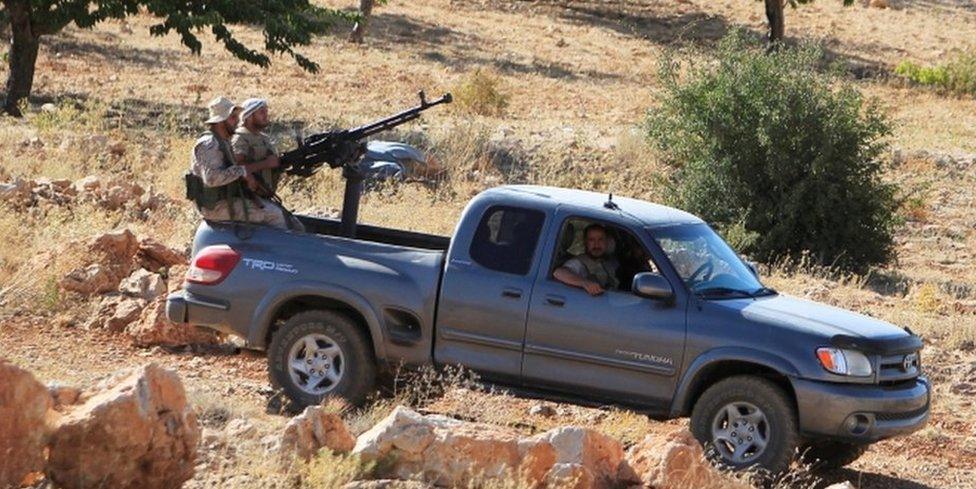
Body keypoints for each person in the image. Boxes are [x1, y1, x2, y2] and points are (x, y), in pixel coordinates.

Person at [186, 96, 292, 230]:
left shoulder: (223, 141)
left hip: (226, 199)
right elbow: (212, 178)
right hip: (215, 207)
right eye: (232, 118)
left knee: (278, 210)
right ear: (220, 122)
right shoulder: (209, 144)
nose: (237, 121)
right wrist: (242, 171)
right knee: (274, 215)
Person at [554, 223, 620, 296]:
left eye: (600, 239)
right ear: (586, 243)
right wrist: (585, 283)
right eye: (591, 240)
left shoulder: (608, 261)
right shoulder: (579, 263)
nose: (596, 245)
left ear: (606, 242)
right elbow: (559, 273)